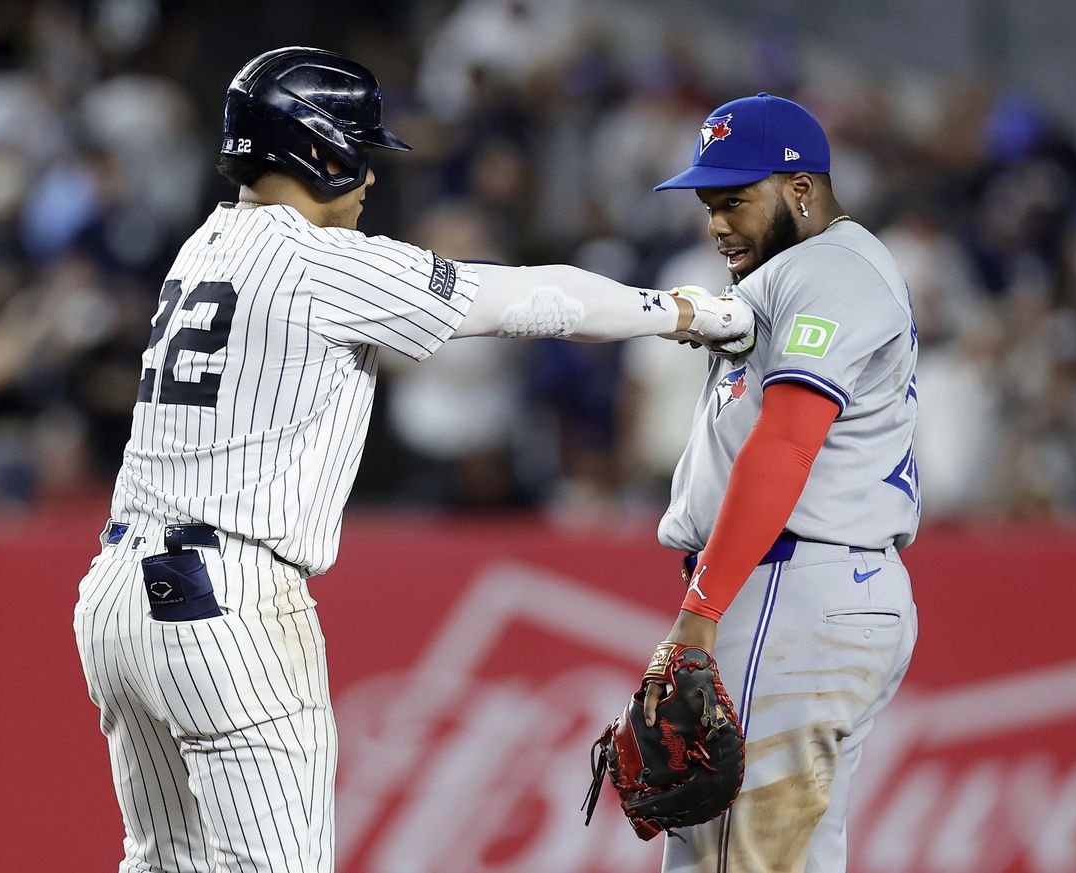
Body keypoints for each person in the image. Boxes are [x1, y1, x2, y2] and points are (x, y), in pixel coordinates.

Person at [72, 46, 753, 873]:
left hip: (114, 596)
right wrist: (685, 310)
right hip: (227, 599)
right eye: (359, 155)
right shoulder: (316, 260)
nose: (367, 179)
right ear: (317, 151)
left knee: (158, 863)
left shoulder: (202, 247)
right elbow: (529, 299)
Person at [642, 92, 920, 872]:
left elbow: (786, 442)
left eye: (736, 199)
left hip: (793, 580)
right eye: (708, 204)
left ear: (802, 189)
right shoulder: (806, 270)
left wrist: (699, 613)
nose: (717, 223)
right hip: (816, 581)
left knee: (740, 860)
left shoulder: (829, 267)